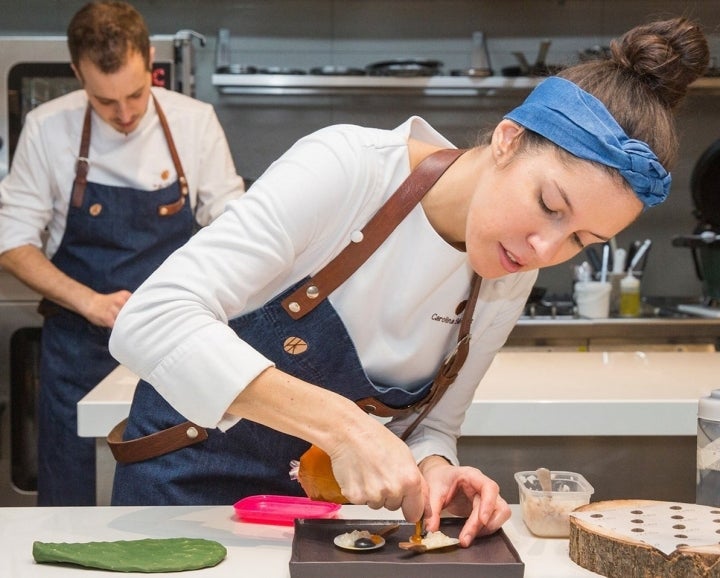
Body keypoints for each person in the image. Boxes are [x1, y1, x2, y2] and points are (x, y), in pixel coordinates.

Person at [108, 17, 708, 545]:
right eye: (550, 204)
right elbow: (153, 319)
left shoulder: (506, 271)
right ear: (507, 139)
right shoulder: (348, 169)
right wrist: (343, 429)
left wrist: (435, 466)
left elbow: (433, 423)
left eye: (581, 241)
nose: (546, 249)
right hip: (182, 502)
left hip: (313, 522)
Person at [0, 0, 245, 506]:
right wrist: (91, 303)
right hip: (78, 348)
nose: (127, 114)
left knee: (169, 499)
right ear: (77, 74)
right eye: (105, 101)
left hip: (176, 350)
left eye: (136, 94)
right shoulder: (49, 128)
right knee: (73, 505)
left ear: (149, 58)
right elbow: (11, 242)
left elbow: (235, 227)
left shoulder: (195, 123)